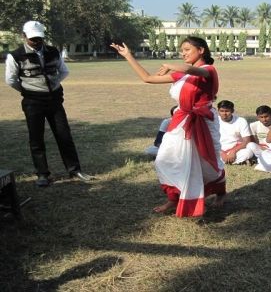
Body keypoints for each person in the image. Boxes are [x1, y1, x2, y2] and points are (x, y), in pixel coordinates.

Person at [110, 36, 225, 217]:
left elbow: (190, 69)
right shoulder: (182, 74)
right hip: (181, 120)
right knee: (165, 158)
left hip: (203, 121)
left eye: (187, 49)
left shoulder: (208, 70)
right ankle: (174, 198)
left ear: (201, 50)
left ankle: (220, 192)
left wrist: (171, 65)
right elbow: (147, 78)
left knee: (207, 161)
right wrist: (128, 56)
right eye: (182, 50)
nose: (183, 53)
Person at [4, 20, 92, 187]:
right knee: (36, 138)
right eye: (33, 39)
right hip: (32, 102)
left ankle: (74, 169)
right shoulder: (15, 56)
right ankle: (42, 174)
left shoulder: (53, 52)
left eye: (39, 38)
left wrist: (52, 85)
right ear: (24, 36)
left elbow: (64, 71)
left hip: (54, 100)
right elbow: (11, 80)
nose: (37, 42)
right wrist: (29, 90)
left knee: (64, 134)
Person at [217, 100, 253, 165]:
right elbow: (210, 140)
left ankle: (225, 161)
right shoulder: (214, 121)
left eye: (227, 111)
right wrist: (221, 152)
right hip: (218, 150)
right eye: (222, 111)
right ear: (218, 111)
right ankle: (237, 161)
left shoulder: (241, 121)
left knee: (248, 152)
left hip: (236, 150)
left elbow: (247, 140)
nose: (224, 114)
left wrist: (233, 151)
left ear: (232, 111)